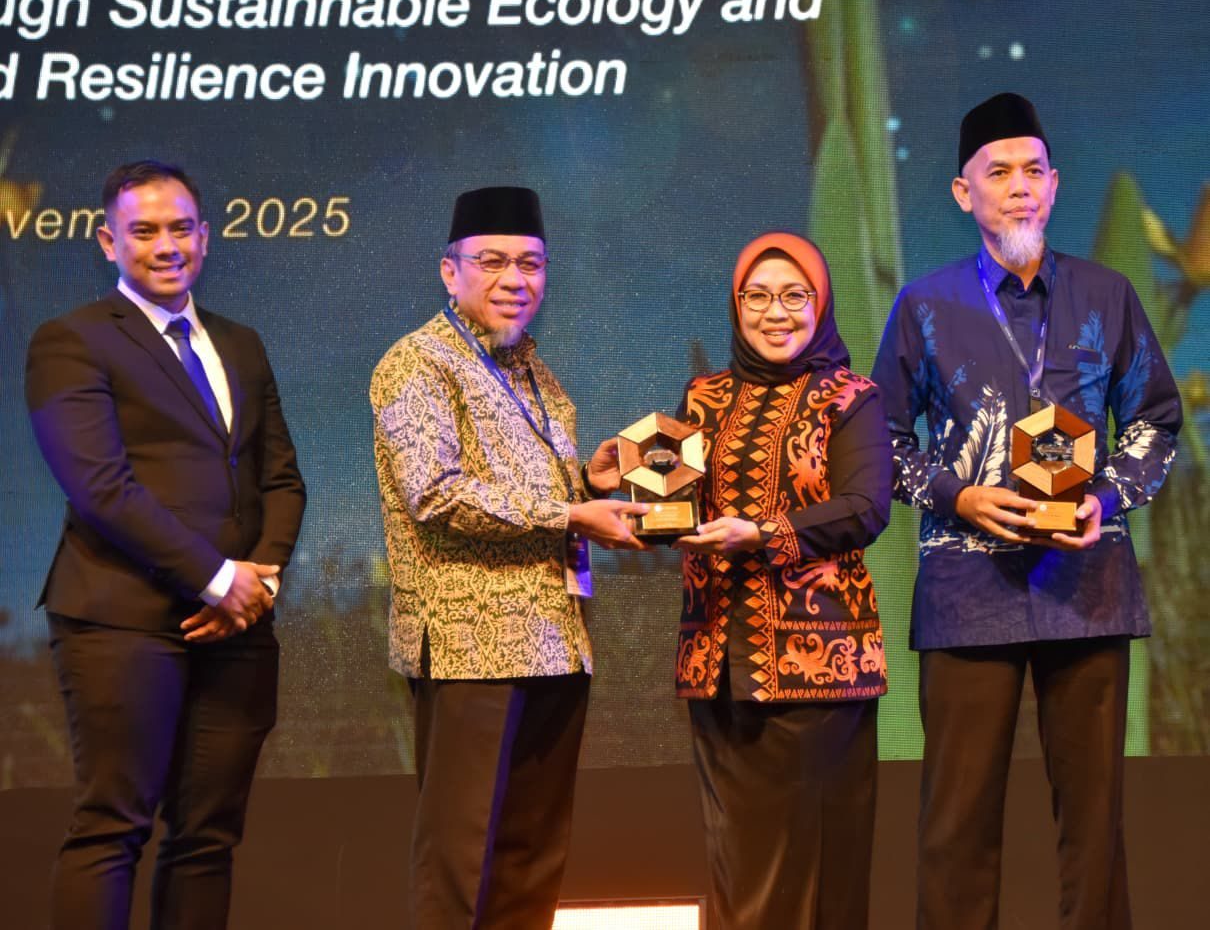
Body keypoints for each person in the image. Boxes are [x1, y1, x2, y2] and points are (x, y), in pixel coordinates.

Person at [871, 93, 1183, 930]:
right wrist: (959, 494)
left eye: (1033, 171)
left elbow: (1156, 421)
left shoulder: (1107, 294)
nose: (1019, 187)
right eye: (998, 172)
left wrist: (1104, 498)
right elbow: (881, 440)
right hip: (967, 598)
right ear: (962, 192)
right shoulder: (924, 305)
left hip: (1088, 584)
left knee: (1093, 824)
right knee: (957, 822)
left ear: (1054, 184)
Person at [24, 160, 307, 930]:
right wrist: (217, 578)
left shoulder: (240, 343)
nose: (167, 245)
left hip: (238, 629)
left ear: (206, 237)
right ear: (107, 242)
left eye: (181, 228)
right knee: (112, 828)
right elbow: (101, 487)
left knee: (207, 839)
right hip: (121, 620)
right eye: (144, 230)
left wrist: (258, 585)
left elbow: (281, 479)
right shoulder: (70, 340)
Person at [369, 186, 647, 929]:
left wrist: (589, 483)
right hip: (470, 649)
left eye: (530, 263)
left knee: (532, 857)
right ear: (449, 270)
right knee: (460, 861)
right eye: (492, 261)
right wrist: (571, 512)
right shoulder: (416, 363)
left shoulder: (536, 373)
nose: (514, 279)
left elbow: (530, 491)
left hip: (556, 641)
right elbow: (436, 494)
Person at [673, 231, 893, 929]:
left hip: (818, 670)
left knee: (809, 870)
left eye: (795, 295)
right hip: (717, 667)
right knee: (737, 872)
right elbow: (674, 495)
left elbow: (865, 506)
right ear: (736, 305)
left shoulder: (851, 396)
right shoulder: (703, 398)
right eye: (758, 296)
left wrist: (765, 534)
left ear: (820, 304)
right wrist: (620, 487)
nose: (776, 312)